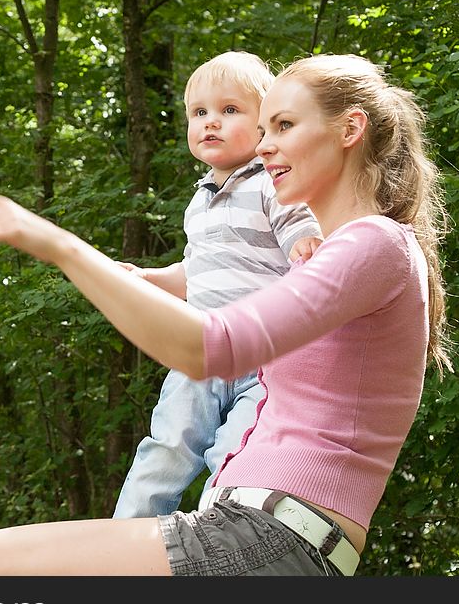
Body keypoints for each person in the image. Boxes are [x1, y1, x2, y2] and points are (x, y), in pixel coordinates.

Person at [0, 53, 451, 576]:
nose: (262, 148)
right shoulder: (333, 255)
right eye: (263, 131)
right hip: (255, 534)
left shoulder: (374, 243)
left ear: (349, 130)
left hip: (270, 537)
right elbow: (210, 305)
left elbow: (210, 347)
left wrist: (57, 244)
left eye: (282, 127)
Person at [113, 51, 323, 519]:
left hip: (262, 356)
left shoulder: (271, 183)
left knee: (234, 454)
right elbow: (194, 271)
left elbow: (298, 231)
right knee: (165, 448)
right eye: (199, 113)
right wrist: (146, 279)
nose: (211, 122)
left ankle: (216, 538)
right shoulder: (199, 202)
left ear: (266, 125)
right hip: (199, 353)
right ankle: (122, 540)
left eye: (230, 111)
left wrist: (307, 244)